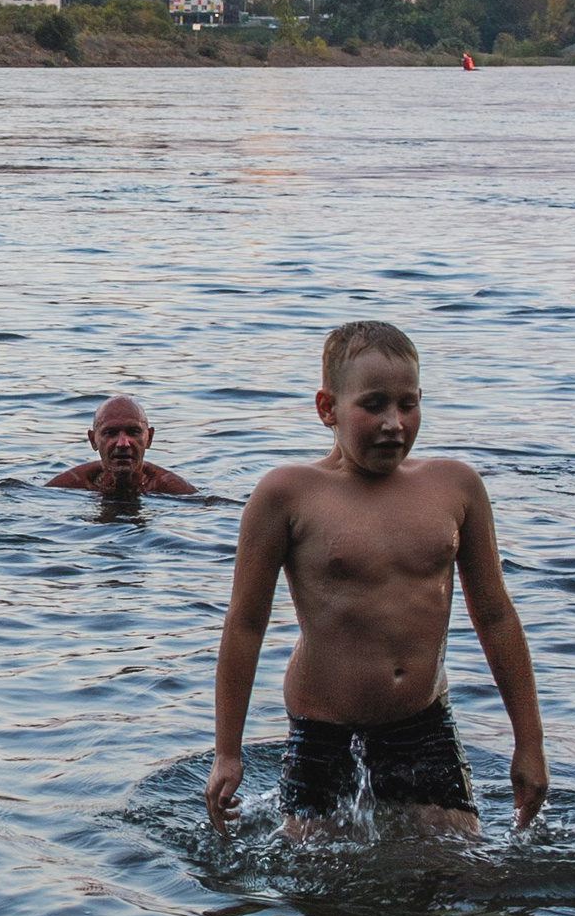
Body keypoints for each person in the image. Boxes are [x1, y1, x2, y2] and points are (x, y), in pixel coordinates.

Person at [205, 321, 548, 836]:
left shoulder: (455, 488)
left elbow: (495, 615)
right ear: (327, 408)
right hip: (323, 729)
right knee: (312, 873)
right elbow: (245, 623)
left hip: (423, 724)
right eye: (373, 405)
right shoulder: (287, 495)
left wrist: (529, 743)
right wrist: (227, 753)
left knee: (457, 865)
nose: (394, 423)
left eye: (408, 405)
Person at [45, 395, 198, 497]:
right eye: (110, 433)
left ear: (149, 438)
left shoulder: (173, 489)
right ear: (93, 440)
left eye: (133, 432)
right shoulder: (71, 484)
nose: (123, 443)